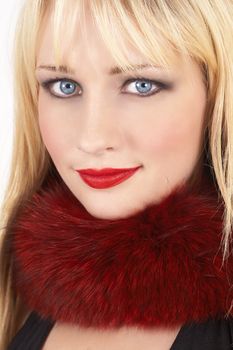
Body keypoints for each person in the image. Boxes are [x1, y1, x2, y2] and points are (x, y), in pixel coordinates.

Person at [1, 0, 233, 349]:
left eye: (141, 85)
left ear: (216, 95)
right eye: (64, 86)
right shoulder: (13, 295)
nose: (92, 138)